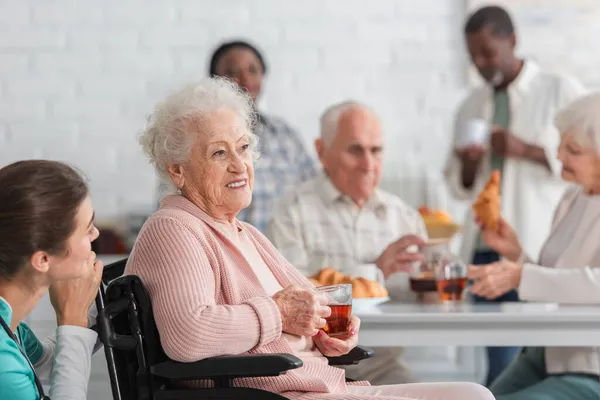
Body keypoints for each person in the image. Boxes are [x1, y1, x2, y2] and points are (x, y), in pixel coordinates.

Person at [127, 77, 494, 400]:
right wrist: (279, 313)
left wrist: (331, 330)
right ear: (177, 171)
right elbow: (189, 335)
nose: (239, 165)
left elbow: (314, 302)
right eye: (219, 153)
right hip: (283, 394)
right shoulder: (174, 228)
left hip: (320, 384)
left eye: (243, 148)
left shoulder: (245, 233)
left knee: (474, 393)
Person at [443, 5, 586, 385]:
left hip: (535, 248)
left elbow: (588, 161)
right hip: (486, 245)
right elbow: (458, 185)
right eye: (473, 55)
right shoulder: (470, 106)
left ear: (513, 41)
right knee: (497, 355)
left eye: (487, 52)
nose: (480, 63)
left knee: (535, 352)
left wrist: (523, 149)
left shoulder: (558, 90)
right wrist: (470, 163)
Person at [266, 101, 426, 385]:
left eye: (376, 151)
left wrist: (435, 281)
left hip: (383, 367)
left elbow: (429, 300)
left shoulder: (404, 216)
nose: (368, 164)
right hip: (314, 368)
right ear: (321, 151)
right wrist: (375, 271)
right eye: (355, 150)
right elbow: (289, 297)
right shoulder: (291, 210)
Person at [467, 92, 600, 400]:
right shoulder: (572, 198)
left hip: (591, 362)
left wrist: (518, 276)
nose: (559, 156)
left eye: (573, 150)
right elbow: (557, 278)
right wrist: (515, 252)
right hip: (550, 351)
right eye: (561, 144)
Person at [158, 39, 316, 232]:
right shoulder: (191, 136)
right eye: (232, 73)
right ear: (216, 81)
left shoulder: (285, 135)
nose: (245, 80)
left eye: (252, 70)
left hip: (281, 252)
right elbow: (172, 206)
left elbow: (312, 196)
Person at [0, 160, 104, 399]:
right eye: (87, 228)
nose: (95, 234)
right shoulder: (3, 367)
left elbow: (47, 365)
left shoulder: (11, 326)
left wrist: (90, 313)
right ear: (43, 259)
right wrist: (72, 320)